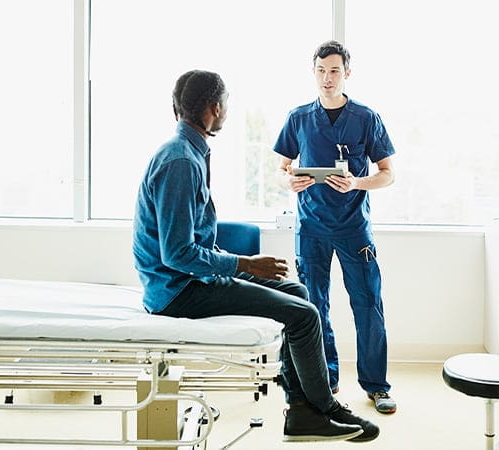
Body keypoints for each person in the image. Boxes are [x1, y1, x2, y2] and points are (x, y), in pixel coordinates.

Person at [132, 69, 379, 443]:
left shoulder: (189, 152)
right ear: (215, 108)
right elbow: (178, 254)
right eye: (227, 102)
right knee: (305, 316)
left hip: (193, 278)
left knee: (297, 292)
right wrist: (244, 264)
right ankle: (323, 410)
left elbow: (192, 241)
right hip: (177, 290)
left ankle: (301, 411)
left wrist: (239, 265)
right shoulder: (181, 162)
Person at [273, 41, 397, 414]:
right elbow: (280, 170)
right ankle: (326, 379)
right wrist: (289, 182)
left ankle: (376, 385)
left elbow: (388, 174)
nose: (328, 78)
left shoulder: (366, 118)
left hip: (353, 228)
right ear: (313, 72)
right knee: (314, 307)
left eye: (335, 71)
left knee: (368, 305)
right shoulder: (298, 118)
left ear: (347, 73)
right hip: (311, 227)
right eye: (322, 71)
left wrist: (357, 183)